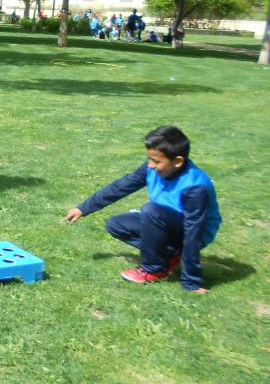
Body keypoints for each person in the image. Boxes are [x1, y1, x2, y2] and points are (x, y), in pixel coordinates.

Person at [63, 126, 220, 293]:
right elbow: (121, 186)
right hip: (162, 221)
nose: (150, 165)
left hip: (192, 230)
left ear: (178, 162)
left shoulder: (195, 186)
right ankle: (169, 255)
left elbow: (193, 233)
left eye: (157, 161)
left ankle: (154, 269)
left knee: (151, 211)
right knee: (115, 224)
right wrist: (83, 208)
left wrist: (191, 283)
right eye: (149, 159)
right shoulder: (151, 168)